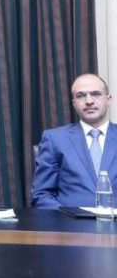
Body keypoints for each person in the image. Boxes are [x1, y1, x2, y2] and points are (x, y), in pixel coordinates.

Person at [31, 73, 117, 208]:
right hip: (69, 220)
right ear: (74, 103)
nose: (89, 101)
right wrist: (67, 217)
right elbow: (41, 194)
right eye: (81, 96)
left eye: (96, 94)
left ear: (109, 99)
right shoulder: (55, 139)